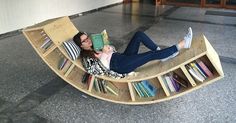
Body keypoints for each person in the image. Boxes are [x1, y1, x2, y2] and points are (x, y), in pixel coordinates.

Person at [73, 27, 193, 75]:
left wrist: (109, 48)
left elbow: (111, 52)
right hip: (119, 65)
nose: (88, 41)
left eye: (88, 38)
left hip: (121, 57)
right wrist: (105, 53)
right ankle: (182, 44)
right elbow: (97, 71)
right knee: (150, 55)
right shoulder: (86, 57)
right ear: (81, 46)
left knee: (139, 35)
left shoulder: (95, 44)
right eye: (85, 41)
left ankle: (160, 53)